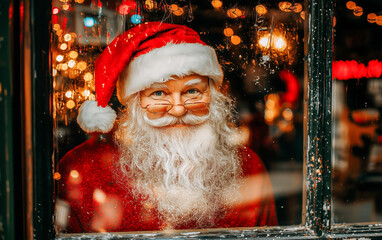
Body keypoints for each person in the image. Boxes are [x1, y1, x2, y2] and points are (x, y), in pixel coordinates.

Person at [56, 22, 277, 233]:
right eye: (159, 93)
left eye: (192, 91)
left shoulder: (247, 167)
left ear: (213, 96)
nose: (178, 109)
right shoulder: (84, 168)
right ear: (135, 101)